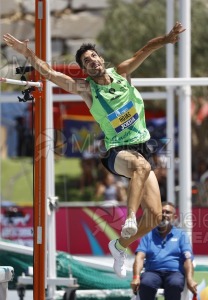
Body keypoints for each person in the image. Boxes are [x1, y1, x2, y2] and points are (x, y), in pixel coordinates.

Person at [3, 22, 185, 278]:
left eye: (94, 56)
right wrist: (27, 54)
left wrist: (167, 38)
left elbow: (145, 49)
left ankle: (119, 246)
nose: (92, 61)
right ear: (85, 69)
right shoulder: (87, 89)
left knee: (155, 216)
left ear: (101, 59)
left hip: (142, 146)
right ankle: (130, 218)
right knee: (140, 167)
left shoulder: (122, 73)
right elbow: (50, 74)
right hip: (116, 151)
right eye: (86, 61)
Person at [131, 202, 198, 300]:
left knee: (174, 284)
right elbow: (139, 257)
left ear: (174, 217)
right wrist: (136, 277)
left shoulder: (181, 235)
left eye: (168, 212)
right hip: (152, 272)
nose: (164, 214)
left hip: (174, 272)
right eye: (161, 212)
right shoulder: (148, 234)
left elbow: (187, 259)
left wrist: (190, 279)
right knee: (146, 283)